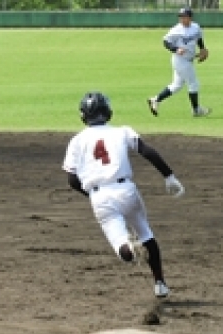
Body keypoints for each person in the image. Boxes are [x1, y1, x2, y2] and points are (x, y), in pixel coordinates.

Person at [62, 91, 185, 299]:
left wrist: (92, 196)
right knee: (145, 233)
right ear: (107, 112)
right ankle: (160, 283)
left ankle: (130, 249)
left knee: (122, 247)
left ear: (84, 115)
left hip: (100, 197)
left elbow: (72, 180)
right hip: (126, 190)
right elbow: (148, 152)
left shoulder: (76, 141)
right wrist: (169, 176)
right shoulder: (122, 131)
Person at [147, 7, 211, 118]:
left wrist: (202, 49)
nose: (182, 19)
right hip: (180, 60)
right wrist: (176, 49)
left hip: (188, 60)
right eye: (180, 17)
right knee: (193, 83)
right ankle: (196, 110)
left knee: (176, 85)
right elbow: (165, 42)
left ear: (190, 17)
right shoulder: (176, 30)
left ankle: (155, 100)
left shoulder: (196, 27)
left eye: (184, 16)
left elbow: (199, 38)